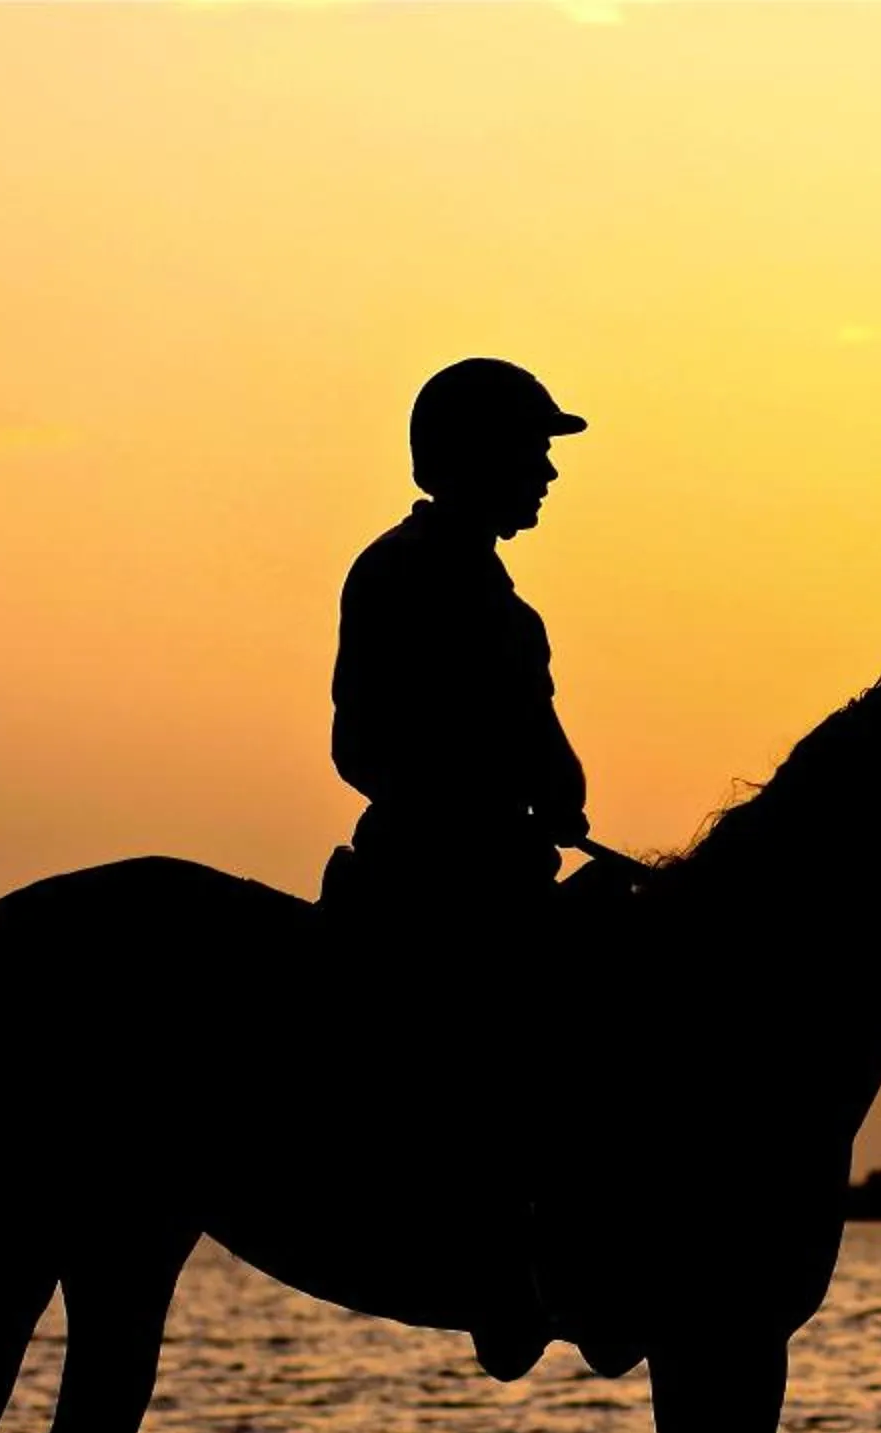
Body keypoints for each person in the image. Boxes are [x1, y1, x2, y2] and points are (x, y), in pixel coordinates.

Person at [318, 358, 593, 1380]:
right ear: (476, 455)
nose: (548, 473)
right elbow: (363, 744)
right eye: (536, 450)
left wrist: (556, 788)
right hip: (434, 882)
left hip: (509, 874)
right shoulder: (399, 573)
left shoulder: (503, 599)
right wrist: (485, 789)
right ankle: (494, 1256)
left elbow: (544, 744)